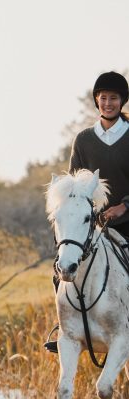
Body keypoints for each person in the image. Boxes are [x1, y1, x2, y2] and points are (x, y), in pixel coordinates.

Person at [44, 71, 129, 353]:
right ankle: (64, 328)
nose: (108, 103)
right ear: (96, 101)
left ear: (122, 101)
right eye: (103, 98)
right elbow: (73, 185)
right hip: (92, 226)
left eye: (113, 98)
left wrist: (123, 206)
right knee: (61, 269)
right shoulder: (83, 140)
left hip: (127, 223)